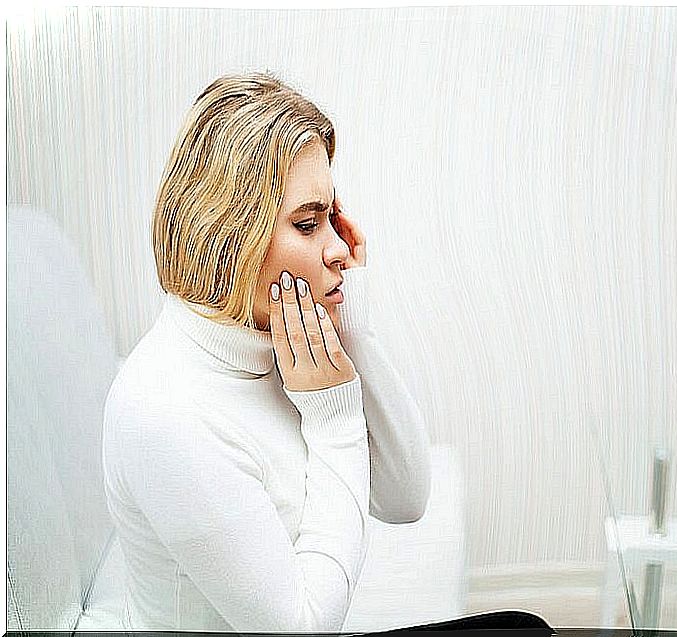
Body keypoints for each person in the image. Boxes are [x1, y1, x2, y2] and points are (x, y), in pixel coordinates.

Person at [101, 72, 432, 633]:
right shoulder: (164, 415)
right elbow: (301, 627)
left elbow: (406, 497)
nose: (335, 245)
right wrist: (333, 419)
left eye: (332, 216)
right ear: (232, 232)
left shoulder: (271, 338)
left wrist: (349, 319)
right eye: (307, 224)